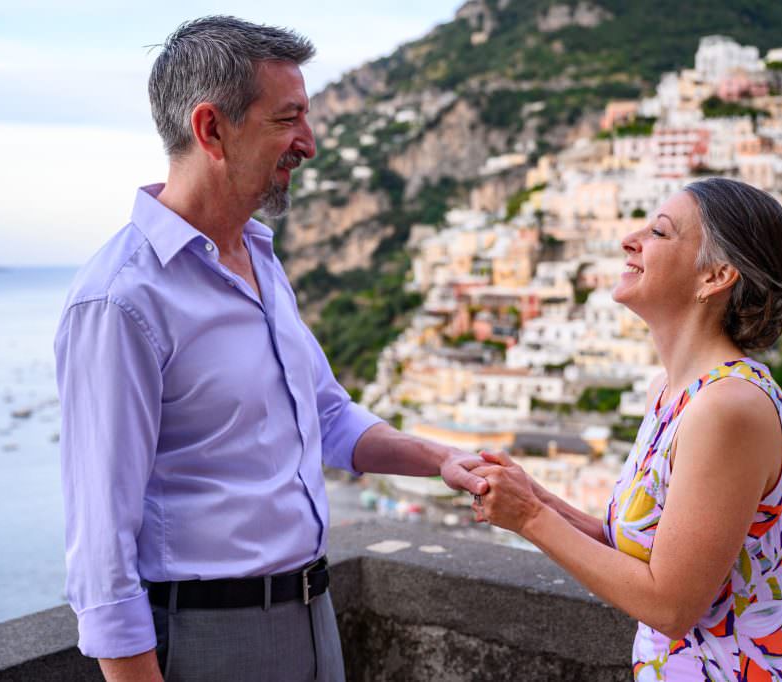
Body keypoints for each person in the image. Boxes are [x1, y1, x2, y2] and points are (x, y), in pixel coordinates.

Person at [54, 16, 488, 682]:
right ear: (211, 130)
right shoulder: (121, 301)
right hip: (210, 638)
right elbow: (99, 551)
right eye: (287, 120)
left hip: (314, 617)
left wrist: (448, 461)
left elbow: (331, 419)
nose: (308, 144)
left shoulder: (259, 258)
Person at [471, 178, 782, 680]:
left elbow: (671, 604)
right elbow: (641, 549)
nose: (630, 238)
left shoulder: (729, 406)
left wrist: (531, 516)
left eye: (659, 233)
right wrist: (531, 494)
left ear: (716, 275)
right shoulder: (669, 392)